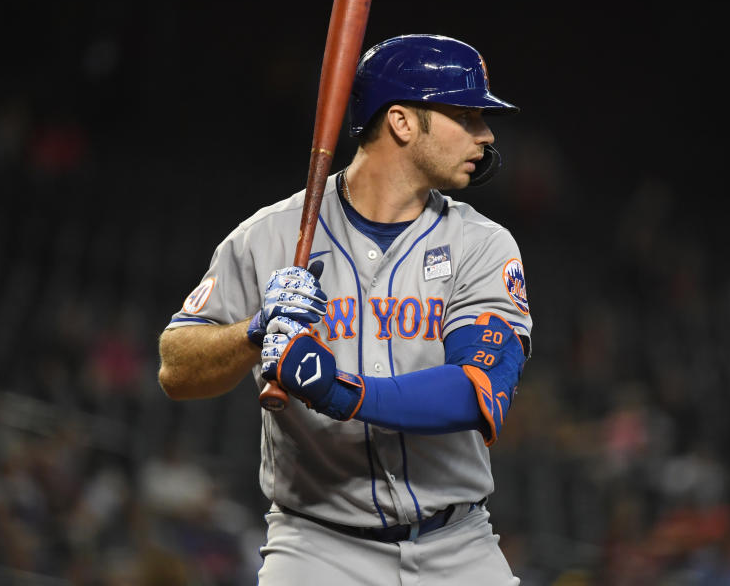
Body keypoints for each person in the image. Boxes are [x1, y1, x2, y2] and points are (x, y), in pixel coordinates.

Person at [157, 34, 533, 585]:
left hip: (457, 546)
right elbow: (175, 369)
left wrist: (342, 392)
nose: (487, 134)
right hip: (316, 548)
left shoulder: (482, 243)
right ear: (403, 122)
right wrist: (255, 331)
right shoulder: (272, 235)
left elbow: (477, 388)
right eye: (467, 115)